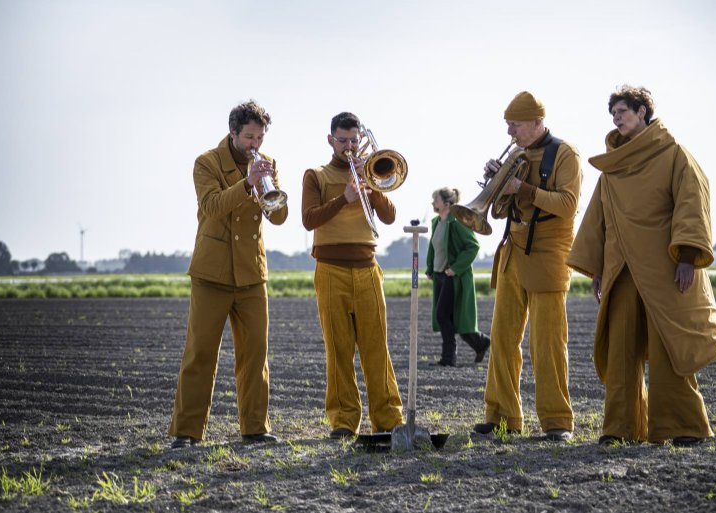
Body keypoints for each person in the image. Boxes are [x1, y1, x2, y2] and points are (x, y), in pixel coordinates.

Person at [567, 85, 716, 447]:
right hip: (622, 274)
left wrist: (687, 258)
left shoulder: (675, 155)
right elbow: (598, 222)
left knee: (670, 349)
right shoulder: (612, 169)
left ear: (642, 112)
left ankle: (685, 427)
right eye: (613, 114)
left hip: (666, 270)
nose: (617, 118)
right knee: (621, 352)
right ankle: (620, 429)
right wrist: (599, 270)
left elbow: (693, 205)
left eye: (623, 110)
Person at [168, 100, 288, 448]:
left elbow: (278, 218)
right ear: (233, 132)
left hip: (252, 273)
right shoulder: (206, 162)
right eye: (249, 136)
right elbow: (212, 206)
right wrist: (248, 184)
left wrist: (268, 186)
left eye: (260, 137)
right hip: (212, 273)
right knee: (200, 353)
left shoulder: (268, 164)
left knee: (255, 354)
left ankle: (255, 428)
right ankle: (187, 432)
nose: (255, 144)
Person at [474, 91, 582, 442]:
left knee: (547, 344)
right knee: (503, 340)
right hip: (513, 253)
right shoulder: (518, 154)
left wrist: (523, 187)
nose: (510, 133)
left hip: (549, 255)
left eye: (515, 125)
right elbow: (501, 212)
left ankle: (557, 422)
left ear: (538, 122)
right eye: (507, 125)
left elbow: (567, 204)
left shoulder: (565, 154)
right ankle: (502, 417)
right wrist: (496, 186)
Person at [301, 111, 403, 439]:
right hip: (330, 269)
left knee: (377, 346)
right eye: (342, 140)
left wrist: (371, 188)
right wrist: (343, 197)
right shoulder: (315, 175)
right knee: (339, 348)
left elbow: (388, 217)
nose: (349, 146)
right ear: (330, 140)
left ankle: (388, 418)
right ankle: (344, 421)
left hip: (368, 268)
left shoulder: (369, 171)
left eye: (354, 141)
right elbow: (309, 219)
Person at [425, 187, 490, 366]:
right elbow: (433, 247)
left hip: (453, 277)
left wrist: (455, 268)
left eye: (435, 200)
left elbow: (473, 246)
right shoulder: (436, 222)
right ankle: (481, 342)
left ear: (446, 204)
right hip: (439, 276)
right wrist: (430, 268)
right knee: (453, 320)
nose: (432, 203)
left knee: (443, 316)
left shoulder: (458, 223)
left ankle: (448, 358)